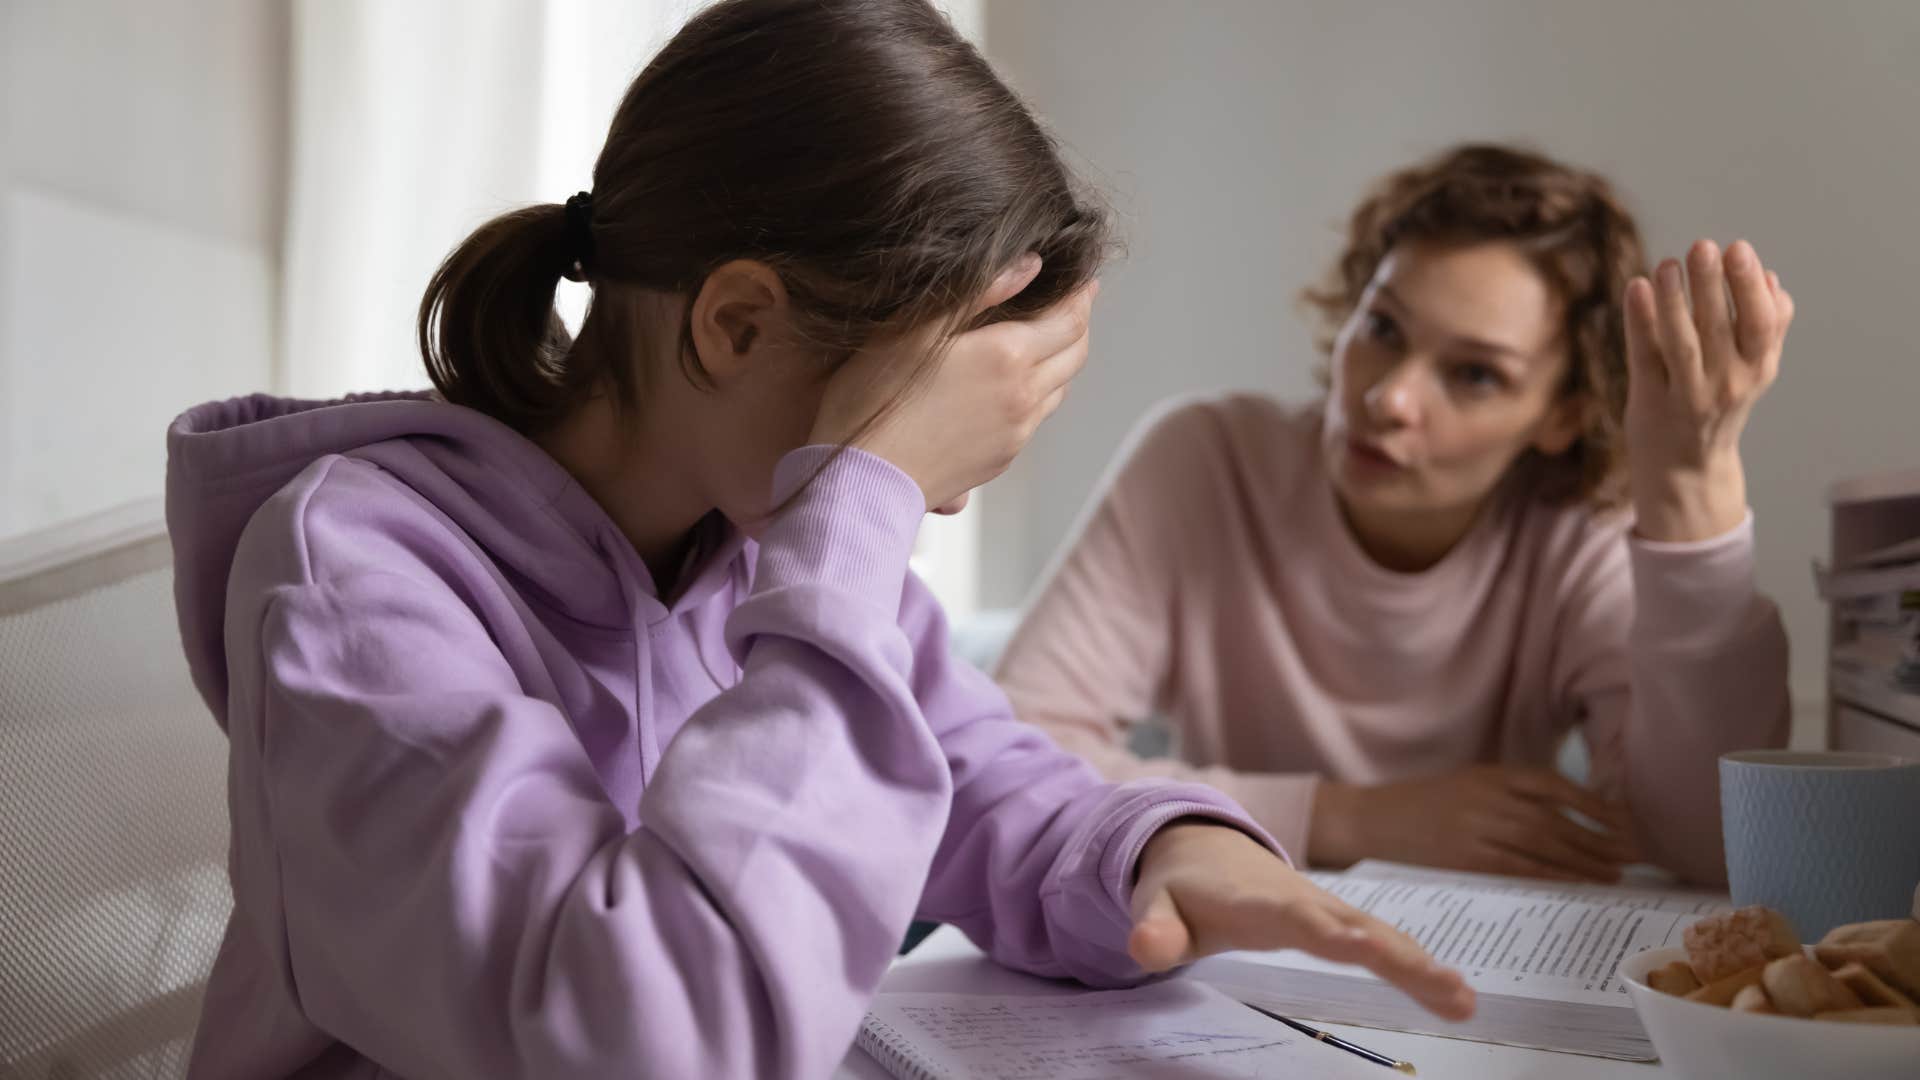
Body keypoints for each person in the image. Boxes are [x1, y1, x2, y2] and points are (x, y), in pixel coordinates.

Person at [164, 3, 1471, 1077]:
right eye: (914, 442)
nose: (930, 506)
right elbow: (652, 1040)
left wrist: (1166, 853)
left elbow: (986, 783)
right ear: (736, 326)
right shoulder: (356, 586)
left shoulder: (753, 543)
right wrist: (862, 507)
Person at [996, 143, 1795, 888]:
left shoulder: (1580, 532)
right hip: (1227, 943)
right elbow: (1010, 758)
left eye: (1476, 375)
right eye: (1382, 328)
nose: (1390, 398)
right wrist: (1353, 818)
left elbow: (1708, 848)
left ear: (1563, 416)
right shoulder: (1206, 462)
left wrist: (1692, 491)